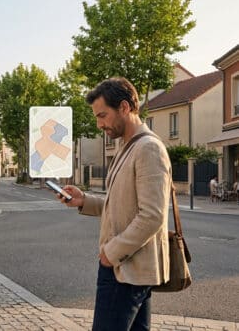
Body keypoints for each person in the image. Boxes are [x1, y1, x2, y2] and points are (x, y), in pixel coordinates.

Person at [56, 77, 171, 331]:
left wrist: (111, 253)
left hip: (126, 270)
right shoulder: (127, 147)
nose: (99, 124)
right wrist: (84, 200)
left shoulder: (148, 148)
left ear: (124, 107)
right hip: (126, 268)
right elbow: (122, 204)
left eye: (103, 115)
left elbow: (153, 215)